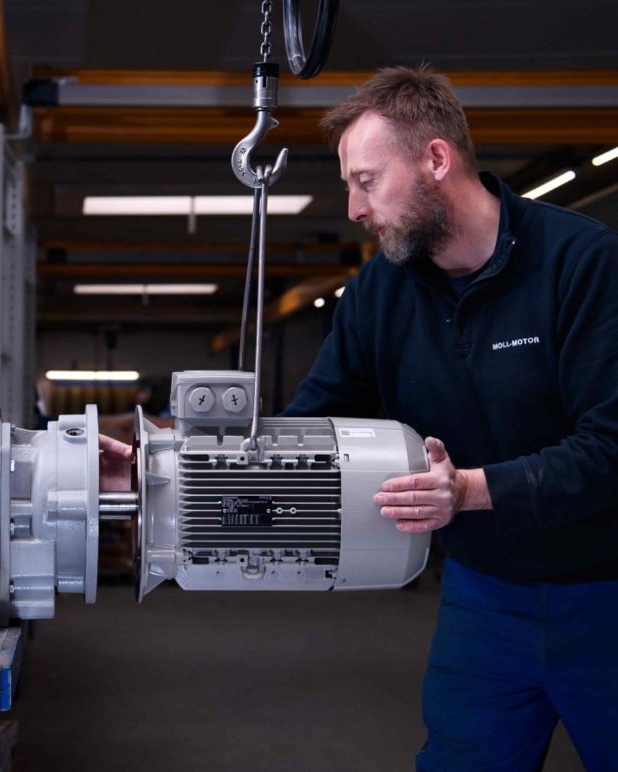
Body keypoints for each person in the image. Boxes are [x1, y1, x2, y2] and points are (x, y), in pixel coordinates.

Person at [280, 67, 618, 769]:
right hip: (485, 596)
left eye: (366, 181)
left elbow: (611, 448)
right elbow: (311, 428)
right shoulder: (378, 292)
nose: (354, 209)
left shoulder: (583, 263)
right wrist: (170, 467)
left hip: (606, 593)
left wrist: (467, 490)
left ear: (435, 159)